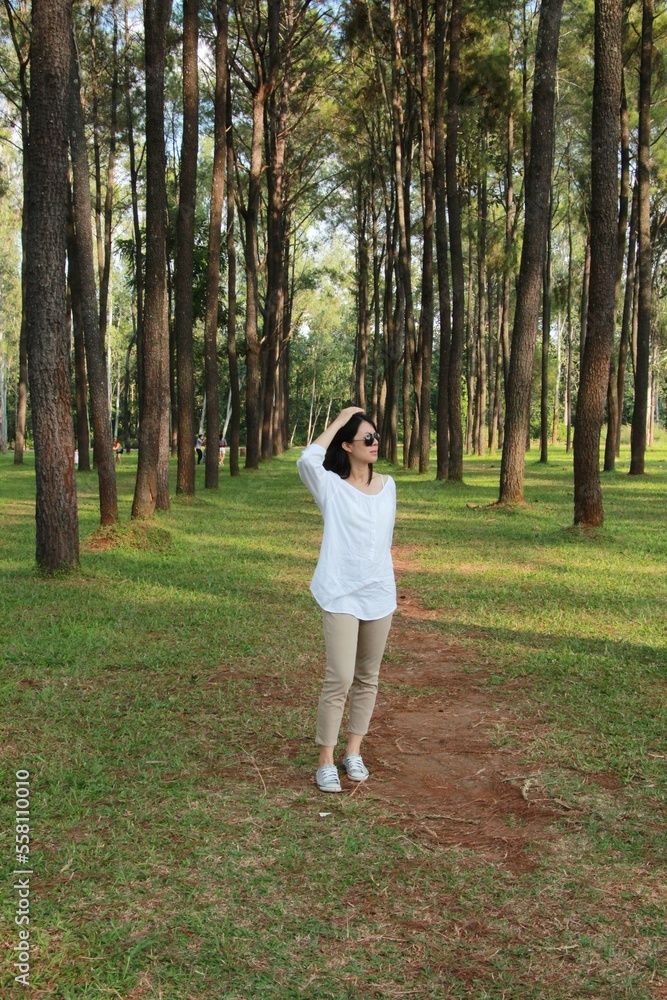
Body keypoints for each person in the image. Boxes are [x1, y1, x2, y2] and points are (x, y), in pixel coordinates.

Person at [297, 406, 396, 793]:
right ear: (347, 446)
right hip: (340, 592)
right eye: (366, 438)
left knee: (368, 677)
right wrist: (339, 420)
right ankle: (325, 760)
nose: (374, 443)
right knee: (339, 676)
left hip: (379, 593)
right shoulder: (331, 487)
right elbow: (307, 460)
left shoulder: (388, 486)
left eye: (376, 437)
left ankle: (353, 751)